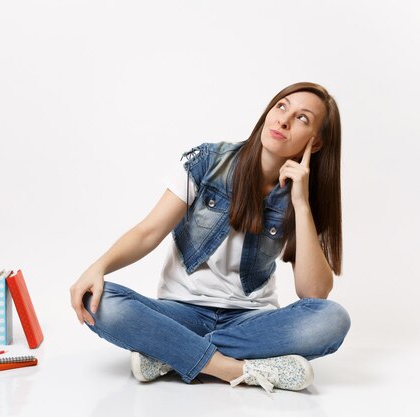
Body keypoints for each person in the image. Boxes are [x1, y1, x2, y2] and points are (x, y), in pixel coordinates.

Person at [69, 82, 351, 393]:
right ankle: (233, 368)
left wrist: (300, 203)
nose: (284, 120)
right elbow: (149, 232)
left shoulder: (302, 195)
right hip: (181, 312)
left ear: (317, 142)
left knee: (333, 319)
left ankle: (168, 353)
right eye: (282, 106)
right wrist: (99, 267)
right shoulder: (209, 161)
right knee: (100, 301)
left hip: (250, 321)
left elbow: (313, 294)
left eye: (302, 118)